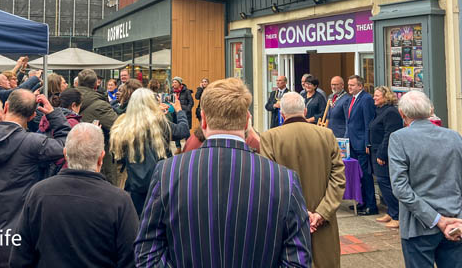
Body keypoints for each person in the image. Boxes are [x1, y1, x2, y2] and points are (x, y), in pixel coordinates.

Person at [135, 78, 312, 267]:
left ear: (203, 119)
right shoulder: (284, 180)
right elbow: (298, 261)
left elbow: (147, 253)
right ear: (246, 121)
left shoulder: (167, 173)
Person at [0, 90, 70, 268]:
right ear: (33, 115)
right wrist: (54, 114)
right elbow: (67, 145)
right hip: (22, 241)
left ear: (6, 107)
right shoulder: (33, 143)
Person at [10, 123, 138, 268]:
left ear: (65, 154)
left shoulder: (38, 194)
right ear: (101, 157)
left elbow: (20, 257)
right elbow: (131, 259)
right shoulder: (119, 202)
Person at [388, 91, 462, 268]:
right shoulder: (454, 136)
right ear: (431, 110)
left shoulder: (399, 138)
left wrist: (438, 220)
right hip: (455, 223)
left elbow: (400, 188)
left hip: (419, 227)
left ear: (402, 114)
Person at [260, 92, 345, 268]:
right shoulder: (327, 135)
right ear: (305, 110)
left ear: (282, 114)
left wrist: (300, 214)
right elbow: (338, 176)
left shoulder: (270, 137)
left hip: (286, 222)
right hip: (322, 221)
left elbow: (268, 180)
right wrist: (322, 212)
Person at [110, 88, 189, 215]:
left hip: (134, 185)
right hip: (159, 183)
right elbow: (183, 131)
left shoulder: (123, 125)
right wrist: (179, 111)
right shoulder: (159, 123)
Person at [75, 69, 119, 184]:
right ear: (96, 84)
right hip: (96, 158)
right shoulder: (100, 105)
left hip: (71, 154)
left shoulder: (67, 99)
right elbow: (118, 127)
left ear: (78, 83)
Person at [368, 86, 403, 229]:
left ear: (386, 96)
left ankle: (397, 216)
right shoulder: (379, 111)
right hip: (376, 150)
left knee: (386, 183)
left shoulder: (391, 112)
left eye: (377, 95)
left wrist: (382, 154)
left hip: (384, 153)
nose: (374, 97)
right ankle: (390, 211)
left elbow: (389, 134)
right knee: (383, 183)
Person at [345, 75, 377, 215]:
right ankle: (361, 202)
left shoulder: (366, 99)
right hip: (352, 142)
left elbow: (367, 123)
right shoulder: (352, 99)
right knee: (357, 174)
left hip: (361, 142)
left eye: (352, 85)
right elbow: (350, 122)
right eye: (349, 85)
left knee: (365, 174)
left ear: (360, 86)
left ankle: (371, 205)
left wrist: (367, 143)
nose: (349, 87)